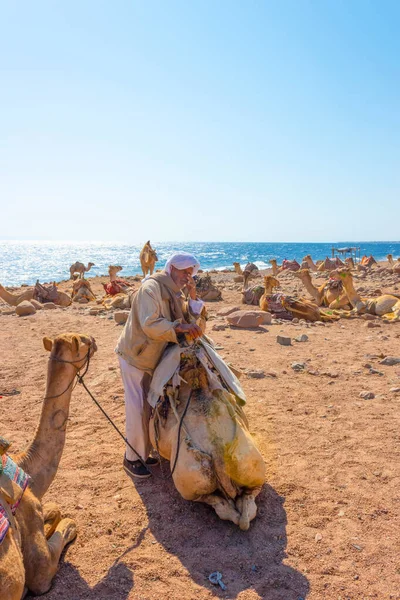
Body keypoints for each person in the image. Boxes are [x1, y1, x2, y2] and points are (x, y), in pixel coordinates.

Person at [115, 251, 205, 479]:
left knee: (149, 404)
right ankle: (132, 458)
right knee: (137, 408)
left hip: (152, 357)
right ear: (172, 268)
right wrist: (180, 328)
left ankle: (145, 452)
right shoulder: (151, 289)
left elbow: (188, 317)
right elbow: (151, 324)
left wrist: (192, 295)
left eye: (190, 273)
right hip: (136, 356)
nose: (188, 277)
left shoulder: (175, 293)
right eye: (185, 272)